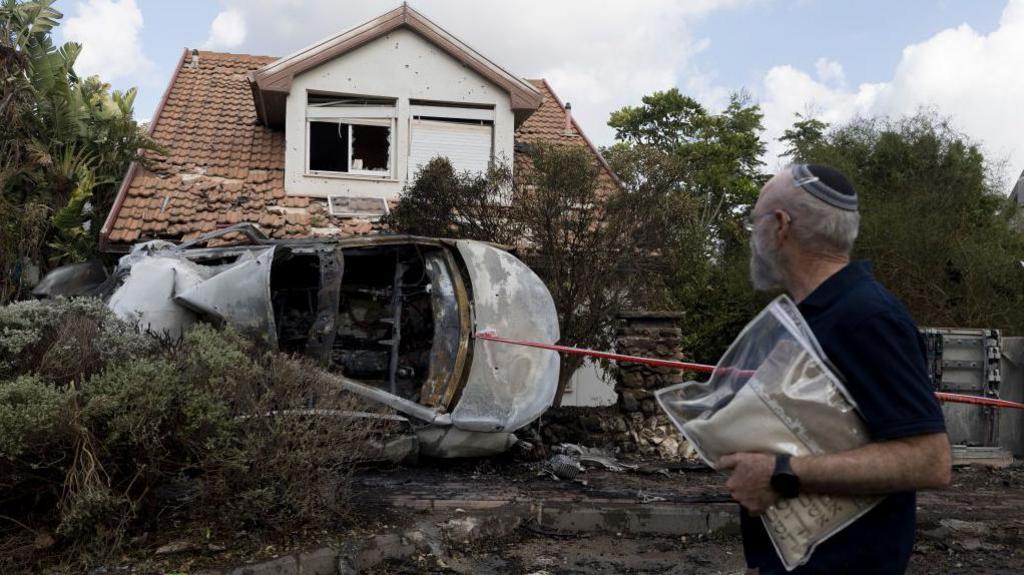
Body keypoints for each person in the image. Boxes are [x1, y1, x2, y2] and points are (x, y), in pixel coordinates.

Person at [721, 163, 951, 574]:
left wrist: (781, 474)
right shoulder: (809, 316)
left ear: (780, 226)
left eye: (754, 222)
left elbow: (929, 459)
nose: (752, 238)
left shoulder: (868, 318)